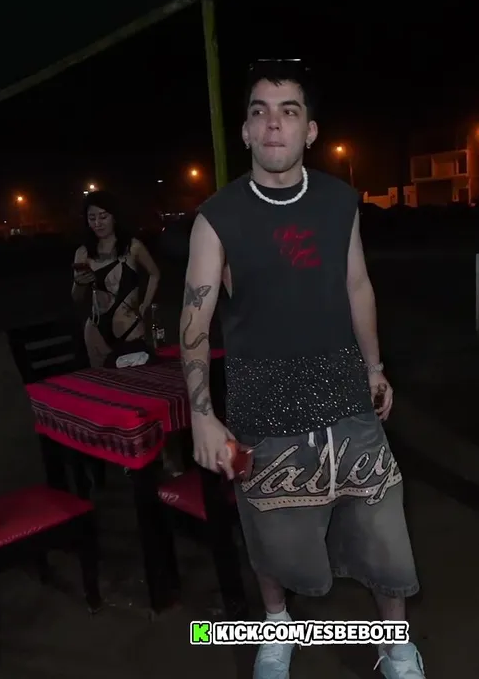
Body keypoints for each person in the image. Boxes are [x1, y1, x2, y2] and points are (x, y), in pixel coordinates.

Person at [179, 60, 425, 679]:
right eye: (259, 112)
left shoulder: (340, 201)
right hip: (263, 401)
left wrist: (375, 366)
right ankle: (276, 629)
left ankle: (395, 645)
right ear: (245, 130)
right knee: (270, 533)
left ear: (309, 130)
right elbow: (195, 318)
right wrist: (202, 415)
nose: (273, 124)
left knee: (382, 530)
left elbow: (357, 285)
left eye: (288, 112)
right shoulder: (217, 216)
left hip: (345, 392)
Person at [71, 191, 161, 368]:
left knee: (138, 377)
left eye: (103, 217)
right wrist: (79, 283)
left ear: (114, 217)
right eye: (92, 218)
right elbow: (76, 297)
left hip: (128, 325)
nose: (97, 223)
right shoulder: (83, 253)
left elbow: (155, 274)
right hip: (96, 328)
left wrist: (145, 304)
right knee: (102, 380)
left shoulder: (132, 247)